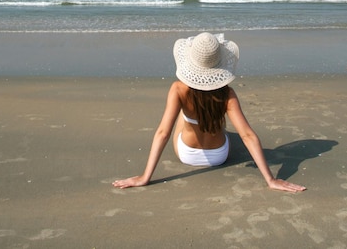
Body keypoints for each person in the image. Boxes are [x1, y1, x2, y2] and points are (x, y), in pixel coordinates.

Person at [112, 32, 306, 193]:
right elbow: (247, 135)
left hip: (186, 153)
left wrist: (145, 177)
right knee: (222, 121)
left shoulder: (178, 89)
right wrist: (270, 179)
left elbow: (163, 133)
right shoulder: (227, 93)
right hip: (219, 155)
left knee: (182, 114)